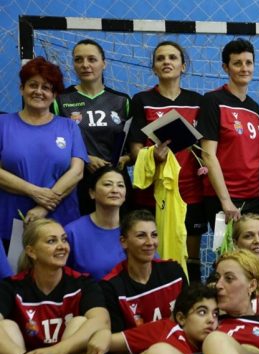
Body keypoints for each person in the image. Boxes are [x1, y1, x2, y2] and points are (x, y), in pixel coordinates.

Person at [0, 219, 108, 354]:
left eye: (64, 239)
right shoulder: (11, 286)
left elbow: (101, 321)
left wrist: (56, 352)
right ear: (31, 251)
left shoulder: (83, 283)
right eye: (52, 241)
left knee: (82, 323)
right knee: (6, 327)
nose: (62, 246)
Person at [128, 41, 203, 281]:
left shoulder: (197, 101)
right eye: (160, 58)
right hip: (151, 194)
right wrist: (152, 156)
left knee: (190, 257)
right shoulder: (142, 99)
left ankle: (192, 298)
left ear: (183, 66)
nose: (166, 62)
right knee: (152, 255)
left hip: (190, 192)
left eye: (172, 57)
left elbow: (204, 147)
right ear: (154, 67)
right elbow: (135, 149)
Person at [0, 57, 87, 250]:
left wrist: (43, 207)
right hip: (12, 223)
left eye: (46, 88)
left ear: (54, 95)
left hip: (60, 223)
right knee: (14, 270)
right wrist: (34, 192)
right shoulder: (2, 125)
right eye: (33, 85)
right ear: (22, 89)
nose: (39, 91)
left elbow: (77, 172)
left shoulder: (69, 127)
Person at [87, 283, 220, 354]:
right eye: (202, 312)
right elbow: (110, 341)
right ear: (181, 318)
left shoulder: (213, 353)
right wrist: (103, 334)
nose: (211, 320)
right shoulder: (165, 328)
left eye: (215, 314)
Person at [53, 39, 131, 215]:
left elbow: (133, 150)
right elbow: (53, 145)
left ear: (104, 63)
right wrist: (85, 159)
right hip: (76, 183)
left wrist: (124, 160)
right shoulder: (60, 100)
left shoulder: (122, 100)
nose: (85, 65)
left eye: (92, 59)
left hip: (115, 183)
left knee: (119, 230)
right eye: (78, 60)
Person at [199, 38, 259, 227]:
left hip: (254, 198)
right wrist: (225, 201)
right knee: (228, 248)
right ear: (225, 68)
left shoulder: (254, 107)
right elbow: (207, 154)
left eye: (249, 63)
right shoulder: (212, 100)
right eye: (237, 63)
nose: (244, 68)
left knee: (256, 246)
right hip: (226, 200)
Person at [101, 210, 187, 333]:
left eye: (154, 235)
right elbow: (120, 339)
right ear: (123, 242)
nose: (150, 242)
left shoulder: (174, 272)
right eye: (141, 236)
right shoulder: (111, 287)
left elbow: (190, 319)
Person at [64, 166, 127, 280]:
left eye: (120, 185)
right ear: (92, 193)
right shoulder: (73, 232)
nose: (115, 190)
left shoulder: (134, 229)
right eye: (108, 184)